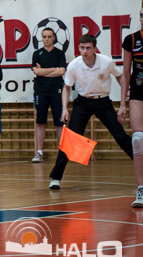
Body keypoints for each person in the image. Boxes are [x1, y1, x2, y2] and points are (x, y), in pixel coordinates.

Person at [49, 34, 132, 190]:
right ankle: (55, 177)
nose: (85, 51)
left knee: (121, 136)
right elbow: (66, 88)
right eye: (82, 48)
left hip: (103, 102)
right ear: (78, 48)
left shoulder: (106, 62)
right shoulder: (74, 65)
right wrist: (64, 109)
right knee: (70, 140)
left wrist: (123, 99)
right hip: (83, 103)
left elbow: (120, 77)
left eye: (88, 48)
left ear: (94, 49)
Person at [31, 27, 67, 162]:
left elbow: (61, 71)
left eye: (49, 37)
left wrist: (44, 71)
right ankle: (39, 152)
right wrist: (53, 69)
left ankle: (62, 153)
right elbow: (36, 72)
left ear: (54, 38)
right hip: (41, 91)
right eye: (44, 37)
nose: (46, 39)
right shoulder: (37, 54)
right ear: (42, 38)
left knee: (60, 123)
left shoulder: (59, 53)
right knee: (40, 122)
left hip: (57, 91)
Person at [122, 7, 143, 207]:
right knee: (137, 140)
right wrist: (122, 104)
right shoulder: (131, 40)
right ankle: (141, 188)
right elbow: (126, 74)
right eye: (142, 15)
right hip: (138, 93)